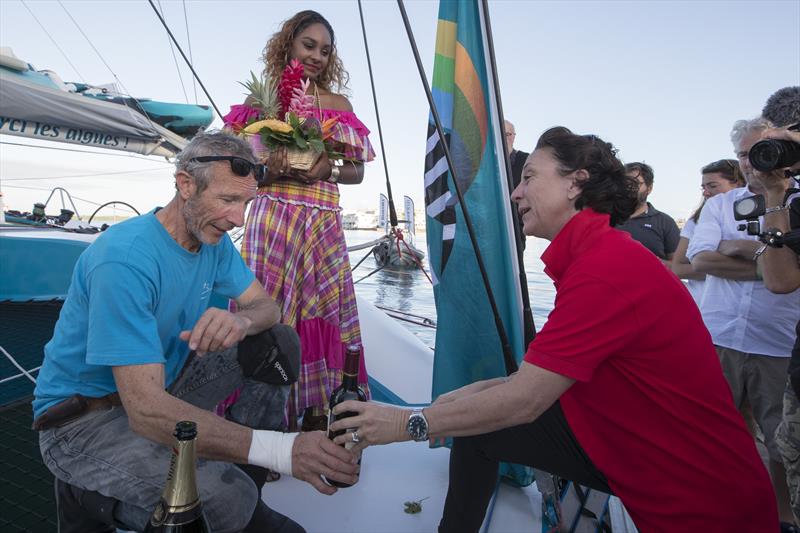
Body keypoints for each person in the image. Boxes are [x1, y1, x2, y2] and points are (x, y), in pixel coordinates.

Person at [330, 127, 777, 532]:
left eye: (528, 177)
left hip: (700, 501)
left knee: (483, 421)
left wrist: (409, 422)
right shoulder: (596, 256)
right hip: (625, 447)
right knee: (476, 426)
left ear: (575, 182)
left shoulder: (606, 271)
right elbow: (535, 378)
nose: (515, 194)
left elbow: (526, 400)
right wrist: (461, 398)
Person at [32, 132, 359, 533]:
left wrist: (241, 320)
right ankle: (89, 494)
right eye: (227, 200)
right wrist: (282, 450)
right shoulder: (124, 260)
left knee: (277, 343)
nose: (239, 219)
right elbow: (147, 411)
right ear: (185, 184)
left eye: (246, 203)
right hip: (84, 423)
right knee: (226, 500)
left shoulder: (214, 241)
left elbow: (268, 309)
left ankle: (242, 484)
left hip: (160, 390)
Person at [222, 10, 375, 432]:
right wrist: (271, 168)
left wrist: (328, 170)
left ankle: (314, 415)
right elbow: (239, 171)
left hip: (322, 220)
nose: (317, 56)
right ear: (288, 43)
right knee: (262, 310)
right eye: (309, 45)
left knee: (324, 313)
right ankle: (257, 423)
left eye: (325, 51)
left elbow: (358, 171)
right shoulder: (260, 106)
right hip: (273, 218)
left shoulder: (338, 106)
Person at [687, 117, 800, 527]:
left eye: (762, 153)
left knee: (781, 443)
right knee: (711, 433)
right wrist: (771, 263)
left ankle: (783, 518)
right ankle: (713, 510)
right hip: (719, 337)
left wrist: (740, 248)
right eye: (744, 156)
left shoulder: (797, 204)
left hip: (778, 343)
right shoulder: (719, 206)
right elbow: (700, 262)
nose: (754, 164)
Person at [757, 89, 800, 528]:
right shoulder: (791, 201)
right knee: (787, 458)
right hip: (799, 374)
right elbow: (779, 280)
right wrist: (775, 195)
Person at [670, 159, 745, 303]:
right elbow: (678, 268)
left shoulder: (760, 217)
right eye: (703, 187)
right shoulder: (694, 222)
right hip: (705, 304)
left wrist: (716, 262)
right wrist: (746, 269)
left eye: (712, 186)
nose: (706, 192)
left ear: (738, 184)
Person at [615, 162, 680, 264]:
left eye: (635, 183)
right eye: (625, 182)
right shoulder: (606, 218)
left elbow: (678, 266)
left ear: (649, 188)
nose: (629, 187)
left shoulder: (665, 222)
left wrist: (653, 263)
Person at [505, 119, 529, 251]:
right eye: (499, 134)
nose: (503, 138)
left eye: (507, 134)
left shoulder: (526, 161)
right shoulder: (485, 165)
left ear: (514, 136)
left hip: (516, 228)